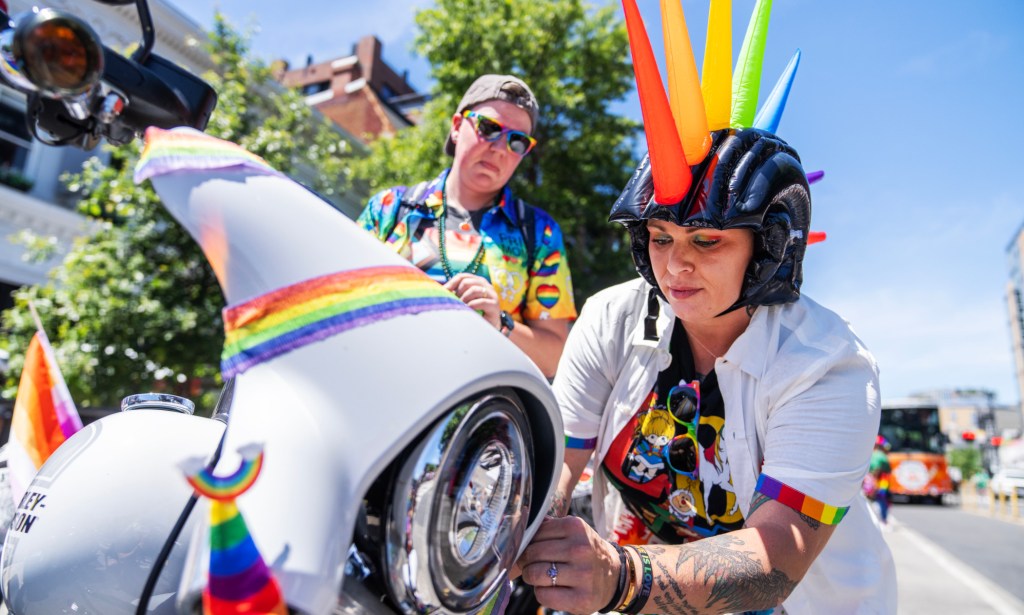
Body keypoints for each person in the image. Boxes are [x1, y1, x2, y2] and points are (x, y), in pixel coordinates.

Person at [514, 2, 896, 613]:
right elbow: (558, 463)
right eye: (661, 238)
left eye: (708, 240)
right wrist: (518, 522)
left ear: (769, 248)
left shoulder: (830, 366)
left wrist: (618, 575)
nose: (675, 265)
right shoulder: (611, 317)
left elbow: (777, 557)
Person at [357, 75, 576, 377]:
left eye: (517, 141)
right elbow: (338, 295)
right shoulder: (390, 207)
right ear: (457, 126)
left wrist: (501, 322)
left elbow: (555, 357)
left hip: (476, 411)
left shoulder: (539, 233)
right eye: (489, 128)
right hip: (377, 377)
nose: (501, 148)